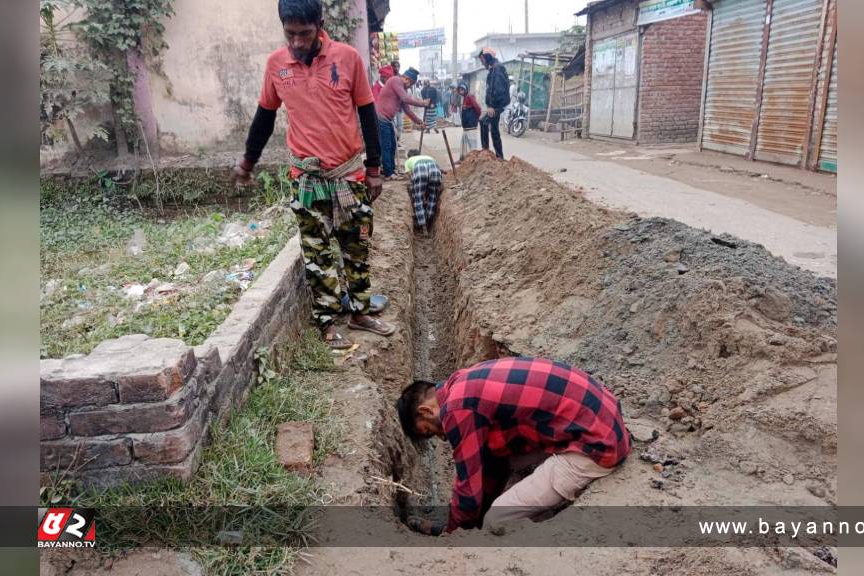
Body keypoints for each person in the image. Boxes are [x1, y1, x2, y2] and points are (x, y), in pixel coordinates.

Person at [233, 0, 395, 349]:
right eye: (289, 34)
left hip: (349, 176)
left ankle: (360, 312)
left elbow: (368, 115)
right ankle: (328, 323)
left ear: (320, 24)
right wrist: (247, 162)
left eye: (304, 33)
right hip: (306, 180)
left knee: (357, 246)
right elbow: (264, 118)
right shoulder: (277, 65)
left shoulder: (348, 58)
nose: (297, 42)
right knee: (317, 255)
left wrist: (374, 168)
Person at [396, 357, 631, 535]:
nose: (442, 437)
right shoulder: (461, 381)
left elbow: (468, 489)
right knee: (497, 454)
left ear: (426, 410)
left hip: (597, 445)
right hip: (599, 418)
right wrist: (474, 513)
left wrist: (453, 532)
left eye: (430, 430)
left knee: (495, 520)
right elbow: (490, 461)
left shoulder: (457, 409)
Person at [376, 67, 428, 179]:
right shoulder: (396, 80)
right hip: (382, 118)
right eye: (411, 84)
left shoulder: (401, 89)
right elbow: (405, 99)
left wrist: (419, 122)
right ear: (407, 79)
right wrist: (422, 103)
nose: (410, 86)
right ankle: (388, 173)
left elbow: (407, 110)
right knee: (387, 146)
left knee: (392, 145)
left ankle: (391, 170)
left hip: (388, 120)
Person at [477, 47, 510, 159]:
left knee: (484, 122)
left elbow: (498, 89)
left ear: (487, 58)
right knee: (494, 129)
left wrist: (492, 105)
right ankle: (499, 156)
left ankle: (486, 151)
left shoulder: (497, 68)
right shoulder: (494, 68)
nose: (482, 63)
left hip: (496, 105)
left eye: (482, 60)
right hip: (495, 104)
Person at [403, 149, 442, 235]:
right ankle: (428, 222)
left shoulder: (408, 161)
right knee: (433, 196)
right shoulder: (428, 157)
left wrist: (416, 191)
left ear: (409, 157)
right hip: (434, 169)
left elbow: (411, 177)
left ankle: (423, 227)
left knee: (418, 199)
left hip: (420, 170)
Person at [457, 83, 481, 160]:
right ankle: (463, 159)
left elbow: (478, 108)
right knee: (464, 143)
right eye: (459, 90)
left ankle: (474, 160)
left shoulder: (470, 97)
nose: (461, 91)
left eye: (462, 90)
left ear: (465, 89)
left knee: (472, 144)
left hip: (471, 126)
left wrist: (476, 118)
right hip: (466, 126)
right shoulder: (464, 98)